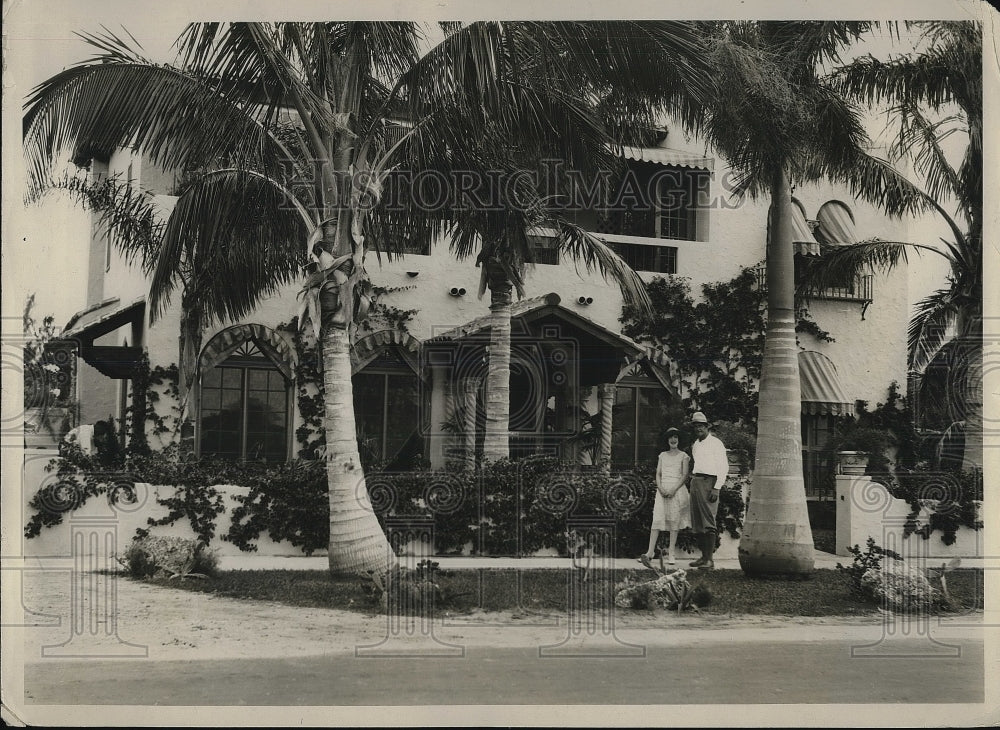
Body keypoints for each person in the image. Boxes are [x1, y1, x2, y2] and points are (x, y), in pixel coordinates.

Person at [638, 427, 691, 567]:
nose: (673, 440)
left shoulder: (684, 456)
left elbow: (685, 475)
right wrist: (660, 488)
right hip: (662, 491)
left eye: (676, 437)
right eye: (670, 437)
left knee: (674, 521)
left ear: (679, 440)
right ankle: (650, 553)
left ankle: (671, 553)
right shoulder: (662, 455)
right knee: (657, 520)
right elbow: (658, 473)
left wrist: (673, 489)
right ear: (667, 440)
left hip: (677, 490)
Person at [687, 411, 728, 569]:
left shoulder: (716, 443)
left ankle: (709, 560)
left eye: (701, 426)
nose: (698, 428)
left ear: (707, 427)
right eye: (696, 426)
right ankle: (703, 558)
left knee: (708, 521)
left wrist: (716, 488)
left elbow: (723, 467)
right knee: (697, 522)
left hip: (709, 482)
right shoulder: (696, 444)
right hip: (696, 481)